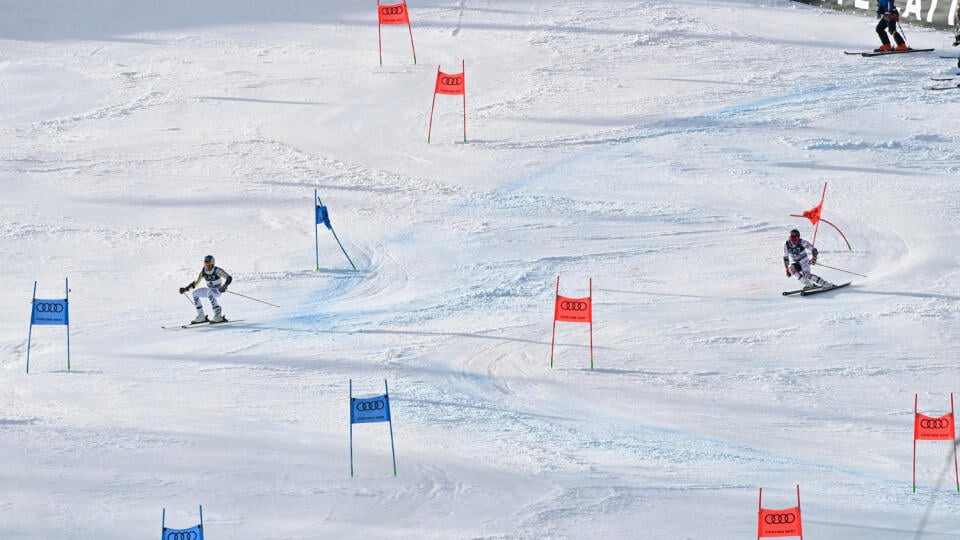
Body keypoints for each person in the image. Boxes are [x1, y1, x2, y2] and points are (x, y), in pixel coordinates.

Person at [179, 255, 232, 323]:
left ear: (212, 263)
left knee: (209, 292)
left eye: (209, 263)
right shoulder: (203, 272)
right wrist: (185, 289)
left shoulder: (217, 270)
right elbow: (196, 283)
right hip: (209, 290)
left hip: (218, 290)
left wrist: (224, 286)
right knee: (195, 293)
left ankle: (218, 315)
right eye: (205, 263)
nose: (207, 265)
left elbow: (229, 278)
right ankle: (201, 316)